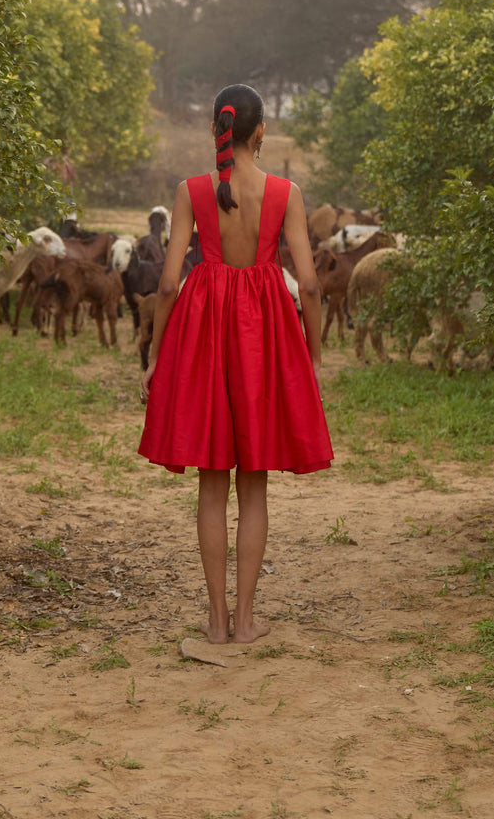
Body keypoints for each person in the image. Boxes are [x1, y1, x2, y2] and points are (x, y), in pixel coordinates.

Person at [138, 84, 333, 644]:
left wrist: (156, 356)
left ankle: (216, 622)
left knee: (210, 483)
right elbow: (313, 287)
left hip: (204, 337)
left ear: (215, 132)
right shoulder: (286, 192)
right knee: (254, 487)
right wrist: (313, 360)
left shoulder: (191, 191)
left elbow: (170, 281)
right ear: (261, 132)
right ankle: (247, 621)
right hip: (264, 337)